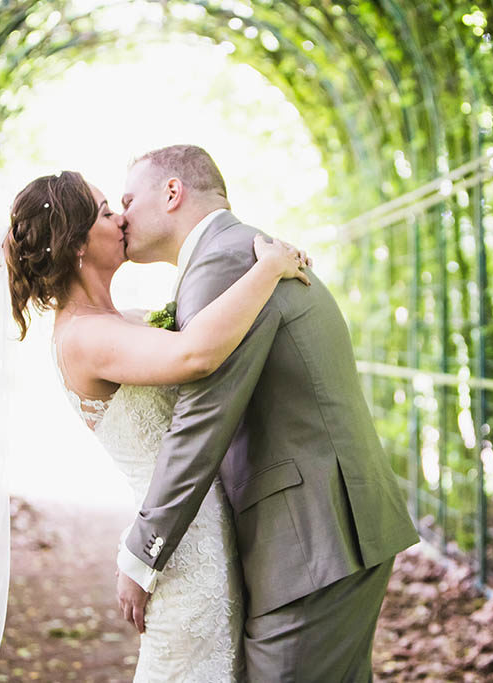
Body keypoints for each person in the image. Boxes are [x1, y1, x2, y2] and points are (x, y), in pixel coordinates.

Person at [114, 144, 422, 681]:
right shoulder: (237, 252)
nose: (120, 217)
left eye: (126, 200)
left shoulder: (224, 261)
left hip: (313, 540)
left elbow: (203, 417)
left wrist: (143, 553)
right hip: (327, 530)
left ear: (171, 193)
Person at [3, 170, 313, 681]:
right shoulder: (83, 337)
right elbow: (195, 355)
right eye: (105, 212)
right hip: (182, 555)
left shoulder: (125, 320)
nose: (121, 217)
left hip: (208, 532)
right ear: (76, 244)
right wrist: (267, 270)